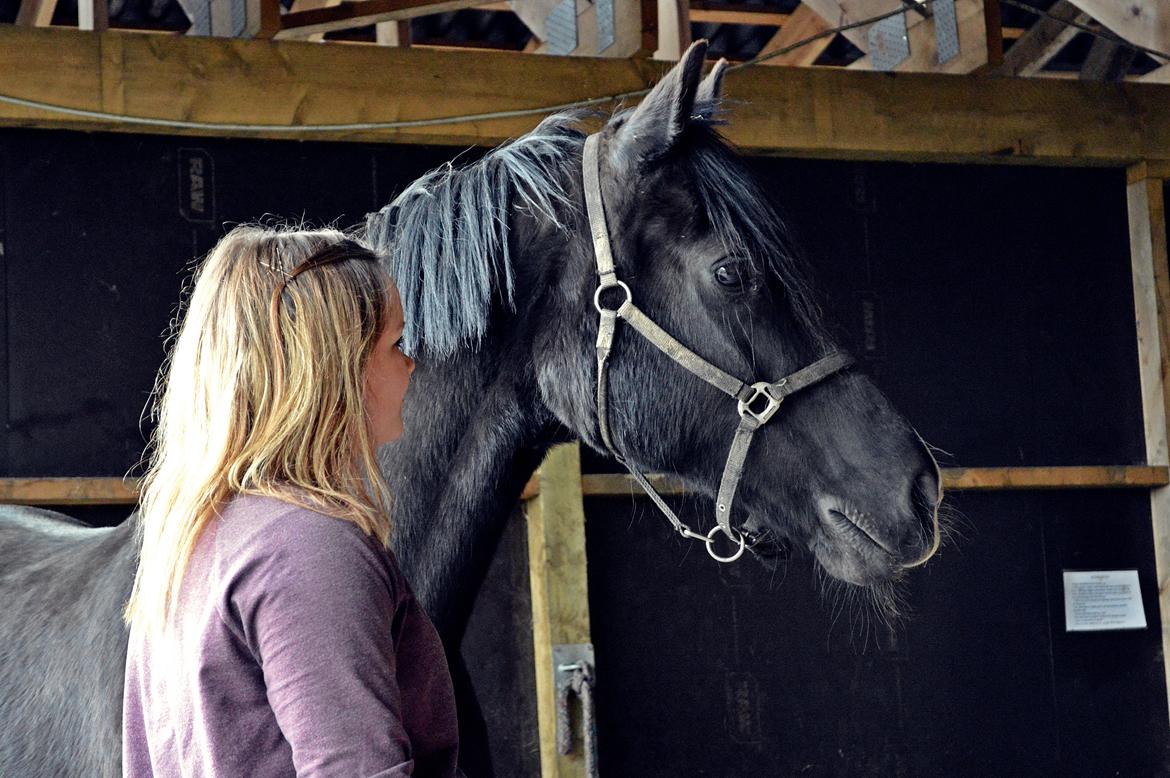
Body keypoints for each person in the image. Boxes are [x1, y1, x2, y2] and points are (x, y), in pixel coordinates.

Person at [120, 224, 459, 777]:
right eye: (395, 344)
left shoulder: (197, 536)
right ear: (336, 368)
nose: (410, 364)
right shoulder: (307, 548)